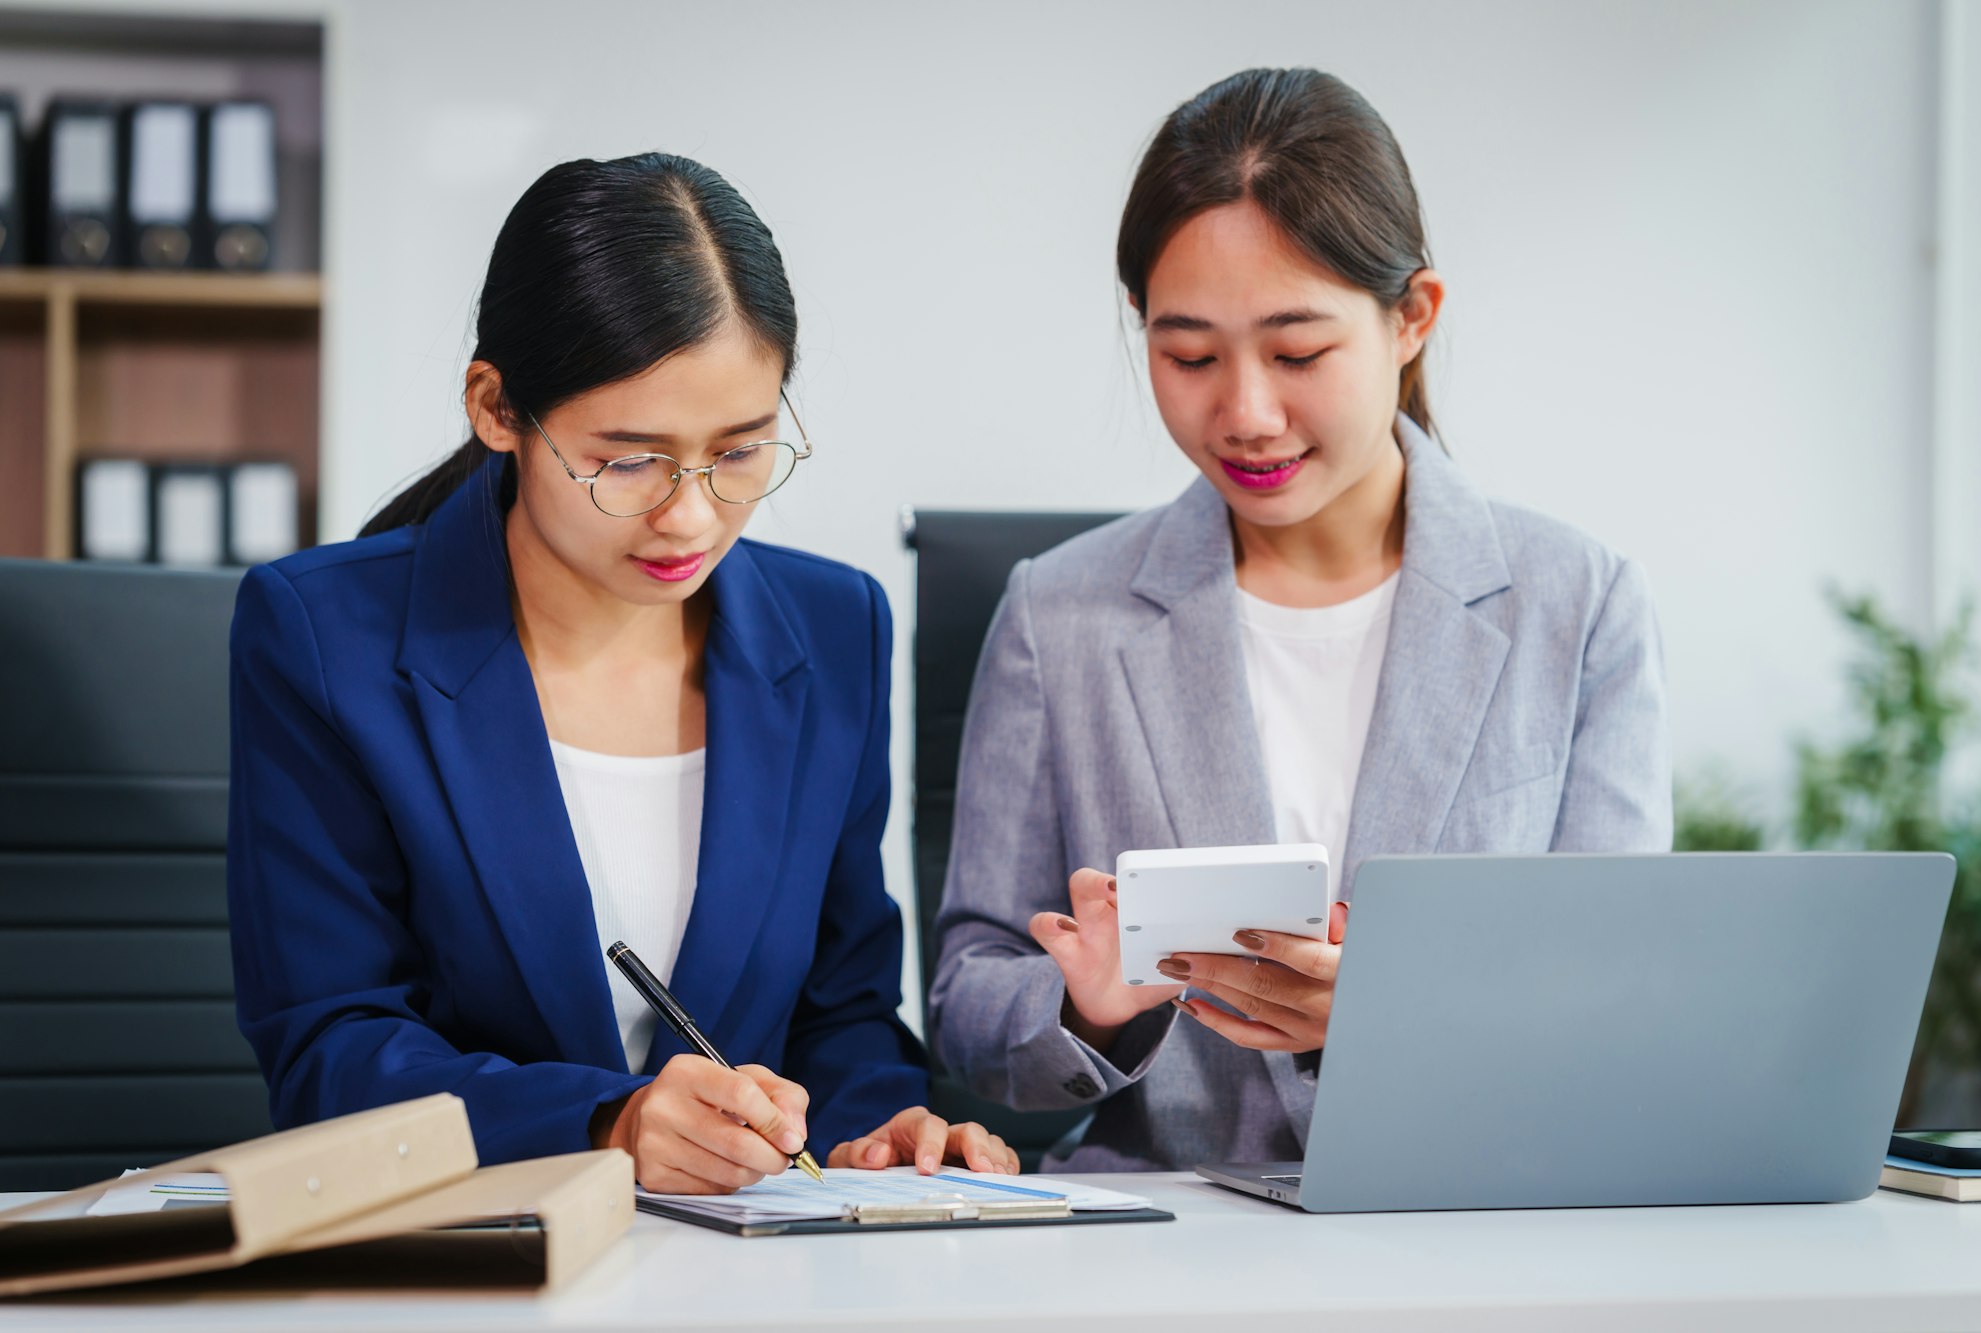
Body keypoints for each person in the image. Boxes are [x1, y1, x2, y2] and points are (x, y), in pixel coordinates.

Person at [228, 152, 1017, 1194]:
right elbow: (328, 1051)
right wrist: (607, 1120)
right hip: (472, 1258)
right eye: (629, 460)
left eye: (739, 452)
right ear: (498, 408)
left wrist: (885, 1127)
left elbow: (842, 1015)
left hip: (750, 1274)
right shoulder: (324, 635)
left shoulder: (832, 629)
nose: (690, 517)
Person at [929, 68, 1671, 1171]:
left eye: (1295, 352)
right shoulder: (1058, 614)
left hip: (1473, 1228)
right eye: (1187, 356)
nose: (1244, 413)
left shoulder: (1577, 603)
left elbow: (1619, 1003)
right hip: (1158, 1243)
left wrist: (1383, 1020)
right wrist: (1086, 1007)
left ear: (1409, 318)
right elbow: (967, 1005)